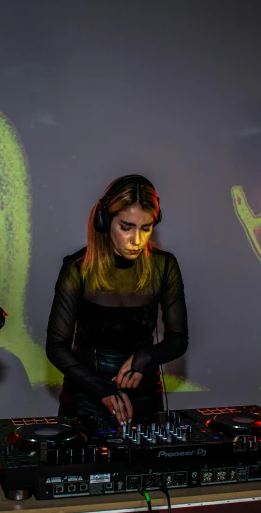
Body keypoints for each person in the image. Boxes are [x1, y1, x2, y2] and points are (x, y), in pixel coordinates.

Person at [45, 174, 189, 426]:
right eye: (126, 227)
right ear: (104, 221)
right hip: (85, 393)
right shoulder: (77, 267)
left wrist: (146, 357)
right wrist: (103, 390)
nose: (137, 240)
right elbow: (56, 346)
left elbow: (178, 339)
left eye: (146, 228)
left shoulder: (164, 266)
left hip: (144, 393)